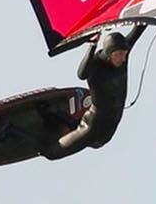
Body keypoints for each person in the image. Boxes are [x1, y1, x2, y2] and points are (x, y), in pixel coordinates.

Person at [42, 25, 145, 160]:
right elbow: (81, 74)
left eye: (125, 54)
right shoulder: (96, 64)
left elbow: (139, 27)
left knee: (74, 128)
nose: (123, 59)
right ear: (109, 53)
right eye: (118, 55)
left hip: (109, 130)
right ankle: (43, 122)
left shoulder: (123, 52)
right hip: (91, 128)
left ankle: (55, 116)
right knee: (51, 154)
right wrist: (92, 45)